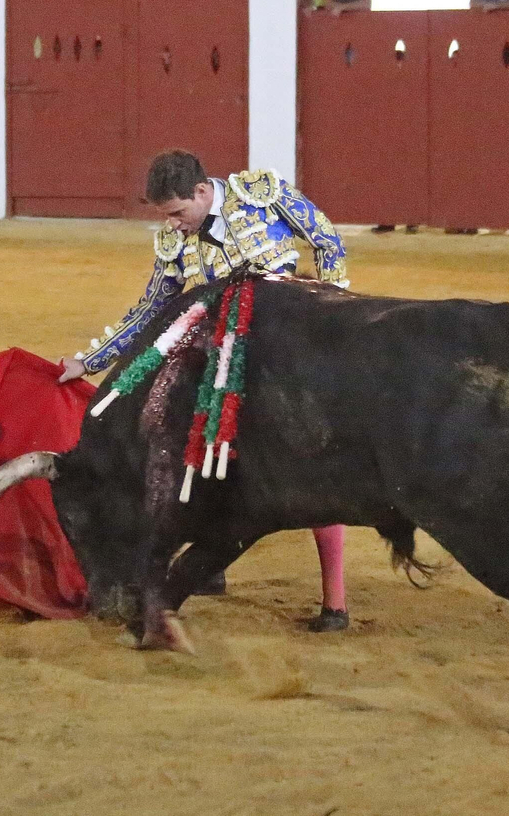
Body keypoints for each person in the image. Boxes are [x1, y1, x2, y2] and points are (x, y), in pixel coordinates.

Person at [56, 150, 353, 633]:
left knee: (310, 460)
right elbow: (151, 309)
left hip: (291, 346)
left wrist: (331, 309)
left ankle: (335, 602)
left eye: (177, 213)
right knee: (177, 430)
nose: (173, 226)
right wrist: (89, 361)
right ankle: (209, 562)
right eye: (165, 217)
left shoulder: (260, 194)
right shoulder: (175, 242)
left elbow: (326, 240)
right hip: (224, 351)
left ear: (200, 192)